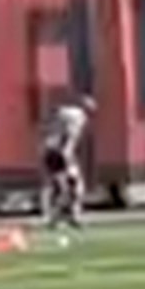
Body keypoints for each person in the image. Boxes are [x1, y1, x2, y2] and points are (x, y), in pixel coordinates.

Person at [41, 96, 95, 233]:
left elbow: (49, 129)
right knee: (73, 186)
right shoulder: (78, 117)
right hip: (61, 153)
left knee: (62, 186)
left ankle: (59, 217)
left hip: (51, 151)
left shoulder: (63, 113)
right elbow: (70, 137)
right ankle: (66, 217)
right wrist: (67, 155)